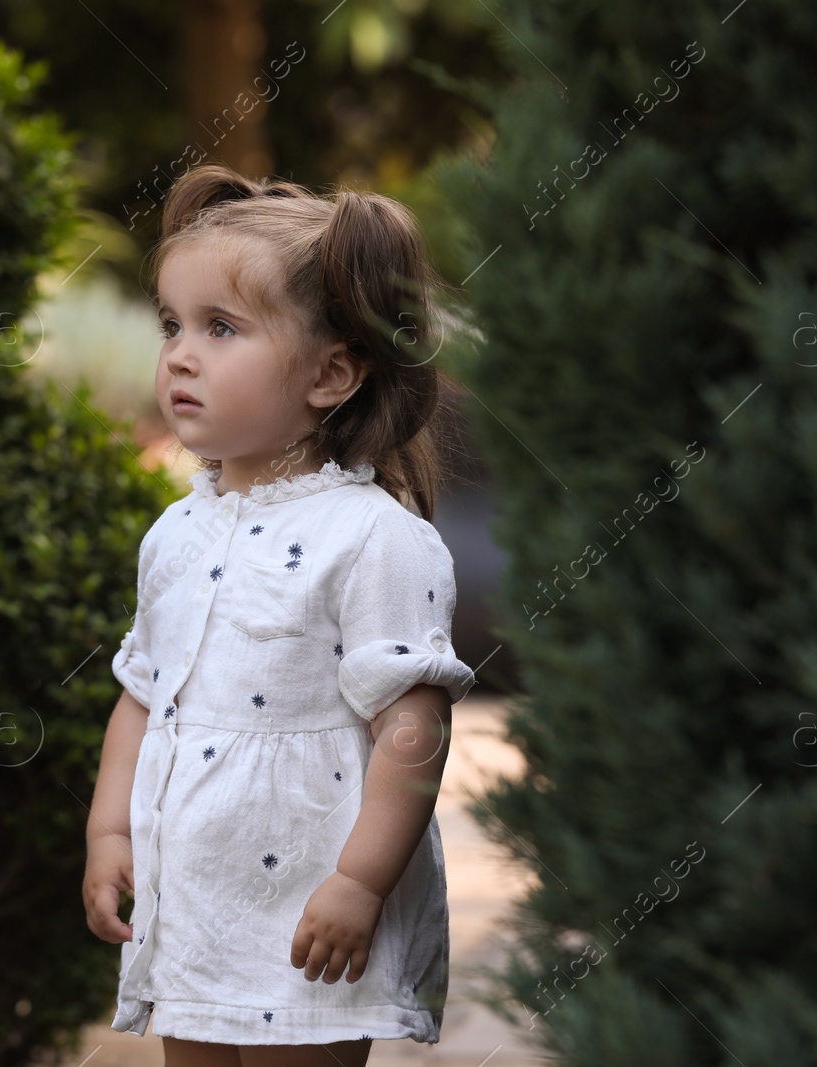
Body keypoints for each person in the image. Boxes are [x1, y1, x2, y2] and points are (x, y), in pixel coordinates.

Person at [82, 162, 478, 1067]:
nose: (180, 354)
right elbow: (143, 698)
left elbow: (413, 728)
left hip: (311, 904)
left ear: (332, 373)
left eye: (221, 328)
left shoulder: (374, 537)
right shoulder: (176, 533)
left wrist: (360, 881)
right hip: (196, 898)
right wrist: (111, 832)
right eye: (172, 325)